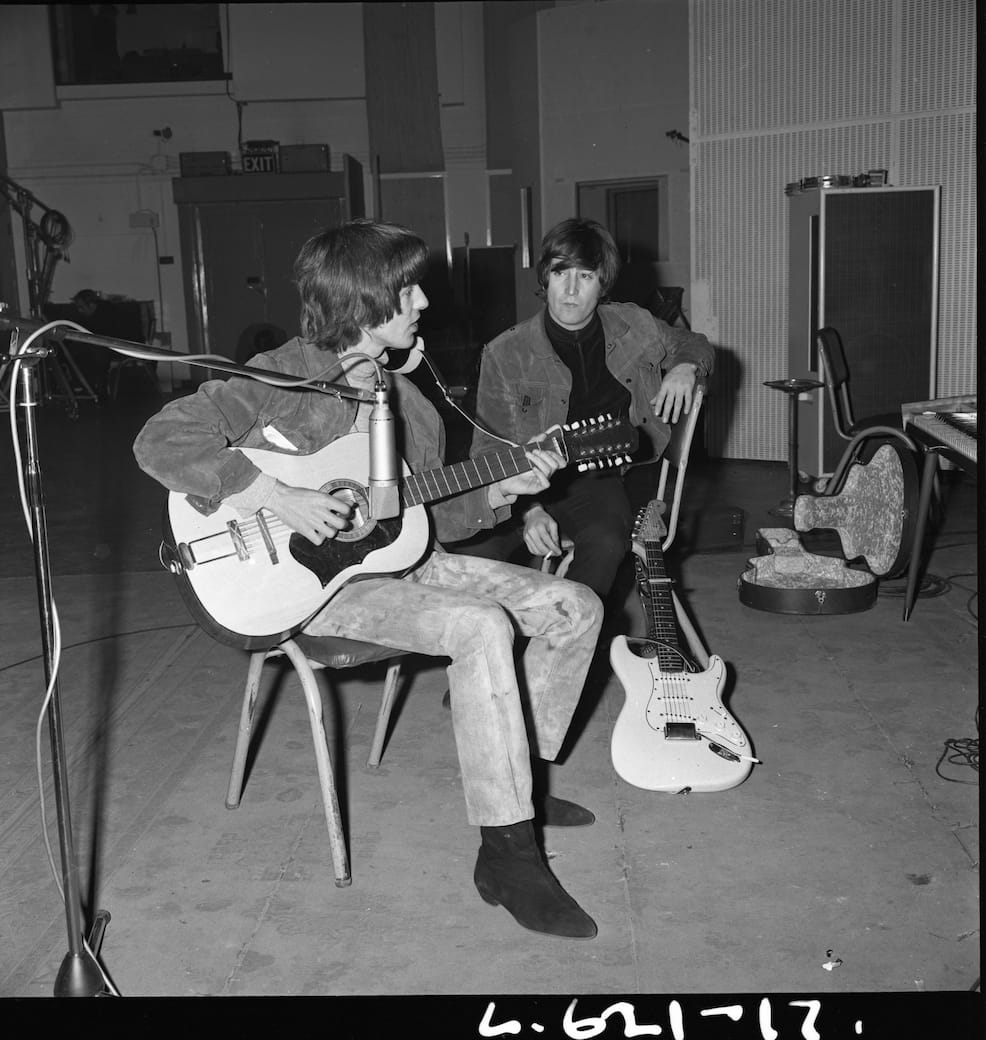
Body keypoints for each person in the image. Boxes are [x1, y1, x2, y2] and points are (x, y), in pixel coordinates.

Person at [133, 218, 605, 940]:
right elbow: (159, 440)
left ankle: (519, 789)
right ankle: (508, 857)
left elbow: (434, 523)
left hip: (404, 561)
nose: (421, 302)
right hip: (320, 589)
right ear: (364, 299)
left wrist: (507, 488)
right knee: (479, 625)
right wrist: (273, 493)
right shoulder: (280, 374)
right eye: (407, 288)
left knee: (576, 606)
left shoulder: (407, 399)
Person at [457, 217, 715, 612]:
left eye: (586, 275)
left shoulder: (634, 325)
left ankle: (566, 640)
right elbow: (487, 449)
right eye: (561, 272)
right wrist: (531, 511)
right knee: (466, 559)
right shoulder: (506, 352)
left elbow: (692, 342)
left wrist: (685, 367)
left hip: (594, 479)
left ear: (603, 283)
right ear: (546, 277)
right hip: (517, 482)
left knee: (606, 542)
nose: (571, 289)